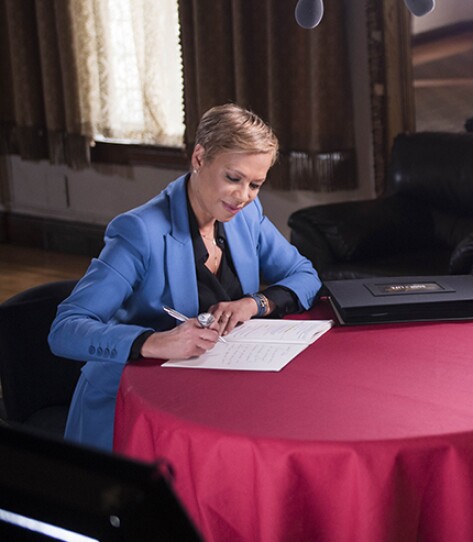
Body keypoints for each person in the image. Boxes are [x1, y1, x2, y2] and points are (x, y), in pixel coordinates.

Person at [49, 103, 321, 451]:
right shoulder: (139, 231)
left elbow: (305, 274)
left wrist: (254, 304)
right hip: (130, 409)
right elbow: (65, 328)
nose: (243, 197)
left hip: (211, 393)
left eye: (256, 184)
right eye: (233, 178)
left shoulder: (247, 216)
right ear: (199, 158)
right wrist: (152, 341)